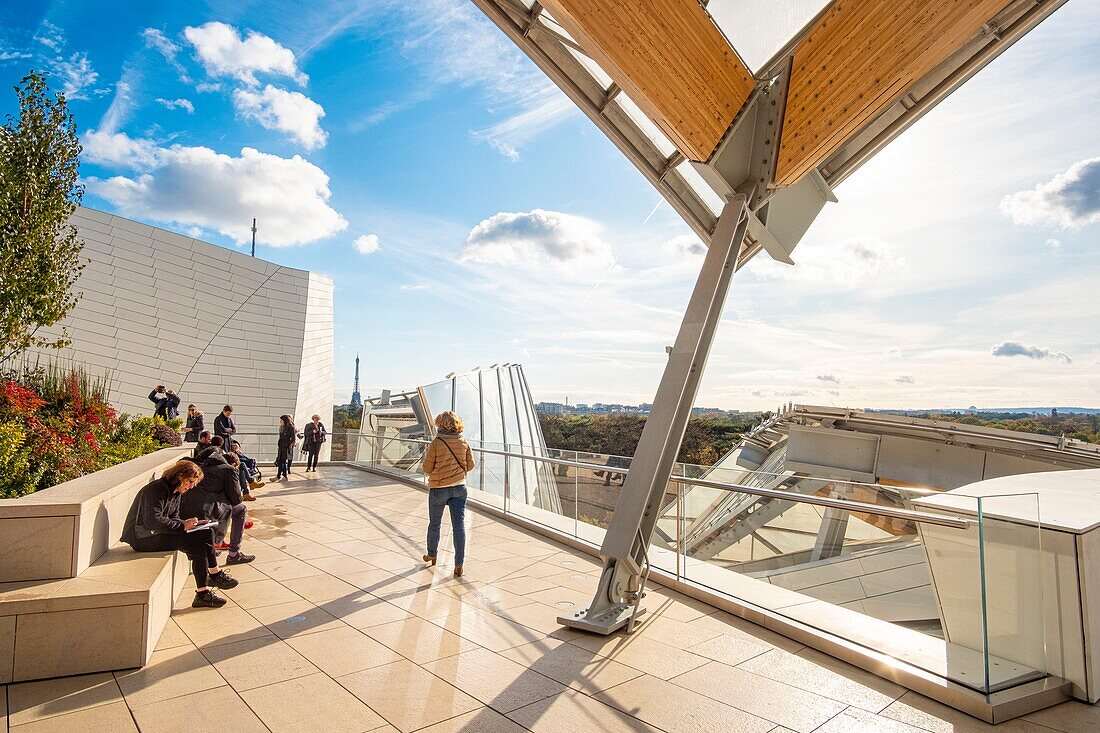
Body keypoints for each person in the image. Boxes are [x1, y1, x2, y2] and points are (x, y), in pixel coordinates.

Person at [120, 460, 239, 608]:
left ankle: (204, 591)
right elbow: (153, 521)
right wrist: (182, 525)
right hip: (143, 538)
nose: (191, 486)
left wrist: (190, 524)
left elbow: (173, 517)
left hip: (155, 534)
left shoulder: (175, 491)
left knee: (204, 535)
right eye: (190, 482)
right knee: (201, 539)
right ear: (180, 476)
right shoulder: (157, 489)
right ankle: (213, 576)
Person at [421, 411, 475, 577]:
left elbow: (426, 468)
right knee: (458, 527)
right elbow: (471, 465)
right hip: (459, 488)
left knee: (435, 523)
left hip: (439, 489)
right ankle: (459, 564)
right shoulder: (463, 441)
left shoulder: (437, 442)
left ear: (440, 424)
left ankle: (432, 554)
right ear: (457, 424)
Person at [182, 450, 255, 565]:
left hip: (186, 511)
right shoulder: (229, 470)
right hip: (207, 512)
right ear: (234, 464)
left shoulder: (202, 467)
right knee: (241, 509)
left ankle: (215, 548)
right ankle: (234, 554)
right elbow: (236, 499)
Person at [275, 414, 296, 480]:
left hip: (286, 447)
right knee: (280, 461)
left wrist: (287, 444)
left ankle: (282, 476)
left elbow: (293, 438)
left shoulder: (291, 427)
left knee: (283, 461)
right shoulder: (282, 427)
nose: (280, 421)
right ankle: (281, 476)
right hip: (281, 446)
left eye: (281, 420)